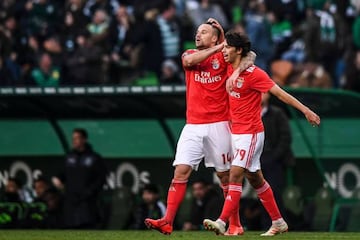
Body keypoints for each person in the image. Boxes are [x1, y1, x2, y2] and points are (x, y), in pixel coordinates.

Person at [203, 30, 320, 236]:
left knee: (235, 174)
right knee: (256, 179)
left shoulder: (256, 74)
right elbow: (249, 54)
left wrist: (306, 110)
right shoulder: (230, 67)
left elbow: (281, 94)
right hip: (236, 133)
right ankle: (279, 222)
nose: (224, 51)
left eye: (228, 47)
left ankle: (222, 222)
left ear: (238, 50)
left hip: (251, 133)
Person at [144, 18, 254, 236]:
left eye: (204, 32)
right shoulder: (189, 54)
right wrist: (220, 44)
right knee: (181, 171)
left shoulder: (224, 56)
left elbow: (250, 57)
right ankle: (167, 221)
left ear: (214, 37)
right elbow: (189, 62)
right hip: (193, 125)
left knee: (224, 176)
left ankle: (235, 224)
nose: (198, 35)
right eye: (197, 32)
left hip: (219, 124)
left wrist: (225, 42)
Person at [52, 128, 108, 229]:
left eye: (77, 138)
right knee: (70, 230)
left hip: (87, 203)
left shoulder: (94, 158)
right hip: (70, 201)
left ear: (84, 140)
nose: (74, 141)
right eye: (73, 138)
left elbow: (101, 179)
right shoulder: (69, 157)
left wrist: (89, 192)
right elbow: (62, 173)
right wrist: (57, 179)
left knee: (86, 229)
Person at [260, 92, 293, 229]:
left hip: (275, 161)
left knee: (274, 192)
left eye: (263, 93)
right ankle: (264, 226)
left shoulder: (277, 114)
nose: (260, 95)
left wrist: (274, 156)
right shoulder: (249, 112)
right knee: (260, 194)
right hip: (256, 160)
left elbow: (285, 138)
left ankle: (278, 223)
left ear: (268, 95)